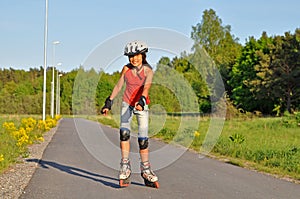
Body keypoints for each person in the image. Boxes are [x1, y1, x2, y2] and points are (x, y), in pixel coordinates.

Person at [101, 40, 159, 188]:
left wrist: (142, 101)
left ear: (143, 55)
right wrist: (109, 101)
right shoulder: (126, 69)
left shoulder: (148, 70)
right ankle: (125, 166)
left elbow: (146, 88)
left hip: (142, 105)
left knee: (143, 140)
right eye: (131, 56)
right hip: (127, 104)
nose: (134, 59)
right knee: (124, 133)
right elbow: (119, 85)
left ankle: (145, 169)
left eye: (137, 55)